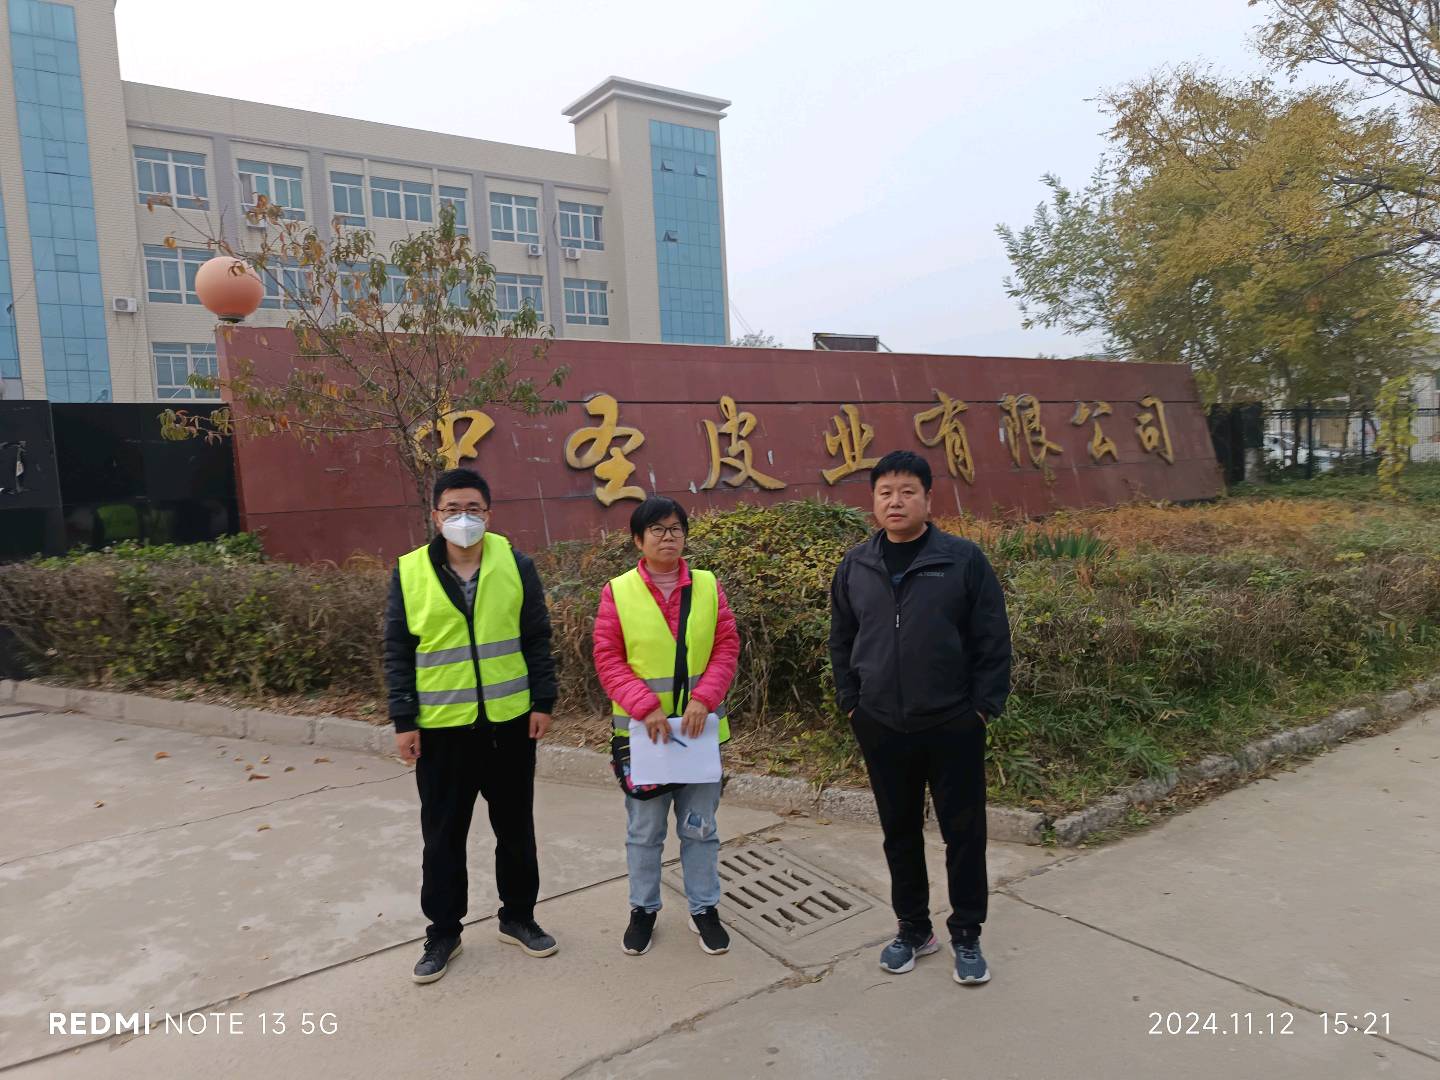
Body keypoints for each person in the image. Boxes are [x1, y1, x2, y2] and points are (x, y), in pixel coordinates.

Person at [828, 450, 1012, 985]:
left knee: (964, 834)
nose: (895, 501)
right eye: (885, 492)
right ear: (873, 500)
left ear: (928, 499)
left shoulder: (962, 560)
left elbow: (992, 639)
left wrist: (980, 711)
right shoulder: (856, 565)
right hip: (882, 724)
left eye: (907, 491)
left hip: (952, 723)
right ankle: (913, 928)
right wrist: (853, 704)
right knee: (899, 832)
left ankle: (967, 933)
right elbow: (842, 639)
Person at [384, 467, 559, 984]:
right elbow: (398, 650)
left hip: (509, 724)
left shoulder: (516, 564)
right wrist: (404, 719)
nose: (464, 518)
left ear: (489, 513)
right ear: (435, 515)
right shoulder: (410, 571)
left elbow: (537, 637)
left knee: (516, 828)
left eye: (473, 509)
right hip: (442, 730)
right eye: (453, 509)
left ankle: (518, 917)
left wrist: (543, 701)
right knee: (442, 837)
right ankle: (443, 932)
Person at [592, 495, 740, 957]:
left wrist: (704, 698)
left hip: (699, 736)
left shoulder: (708, 586)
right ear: (639, 540)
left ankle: (704, 907)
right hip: (644, 738)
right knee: (645, 831)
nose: (668, 536)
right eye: (656, 529)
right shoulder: (618, 591)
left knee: (700, 827)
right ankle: (643, 910)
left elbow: (726, 646)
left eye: (675, 528)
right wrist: (644, 707)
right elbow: (608, 657)